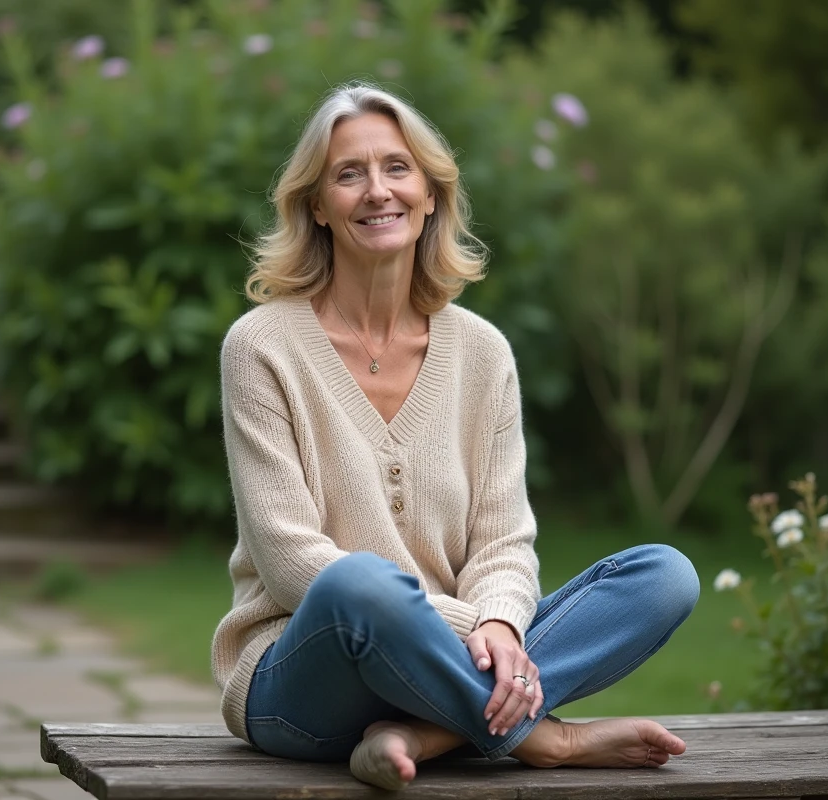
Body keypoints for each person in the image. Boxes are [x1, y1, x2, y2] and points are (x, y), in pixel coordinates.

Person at [210, 82, 700, 791]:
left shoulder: (482, 352)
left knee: (664, 577)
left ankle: (421, 736)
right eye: (349, 174)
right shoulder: (259, 348)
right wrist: (475, 630)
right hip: (304, 679)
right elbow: (291, 560)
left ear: (432, 194)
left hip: (451, 664)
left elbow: (503, 541)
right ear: (317, 205)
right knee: (358, 582)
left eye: (397, 168)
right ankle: (544, 741)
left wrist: (500, 624)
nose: (378, 191)